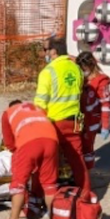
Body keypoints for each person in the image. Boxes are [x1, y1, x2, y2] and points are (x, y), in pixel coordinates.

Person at [35, 36, 87, 191]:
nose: (44, 53)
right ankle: (85, 193)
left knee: (49, 159)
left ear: (54, 51)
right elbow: (80, 92)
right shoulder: (76, 68)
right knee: (77, 159)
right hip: (76, 119)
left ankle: (44, 194)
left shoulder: (48, 72)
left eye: (46, 49)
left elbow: (40, 103)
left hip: (56, 121)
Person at [0, 100, 59, 219]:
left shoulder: (8, 113)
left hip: (29, 143)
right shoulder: (35, 107)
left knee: (18, 184)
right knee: (49, 183)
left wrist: (18, 155)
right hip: (52, 141)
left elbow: (9, 142)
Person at [76, 51, 110, 172]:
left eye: (84, 68)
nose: (83, 71)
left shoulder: (101, 81)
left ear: (91, 66)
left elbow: (105, 104)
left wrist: (105, 125)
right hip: (79, 118)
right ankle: (77, 171)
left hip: (91, 121)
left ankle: (87, 172)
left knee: (87, 147)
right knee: (76, 144)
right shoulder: (81, 78)